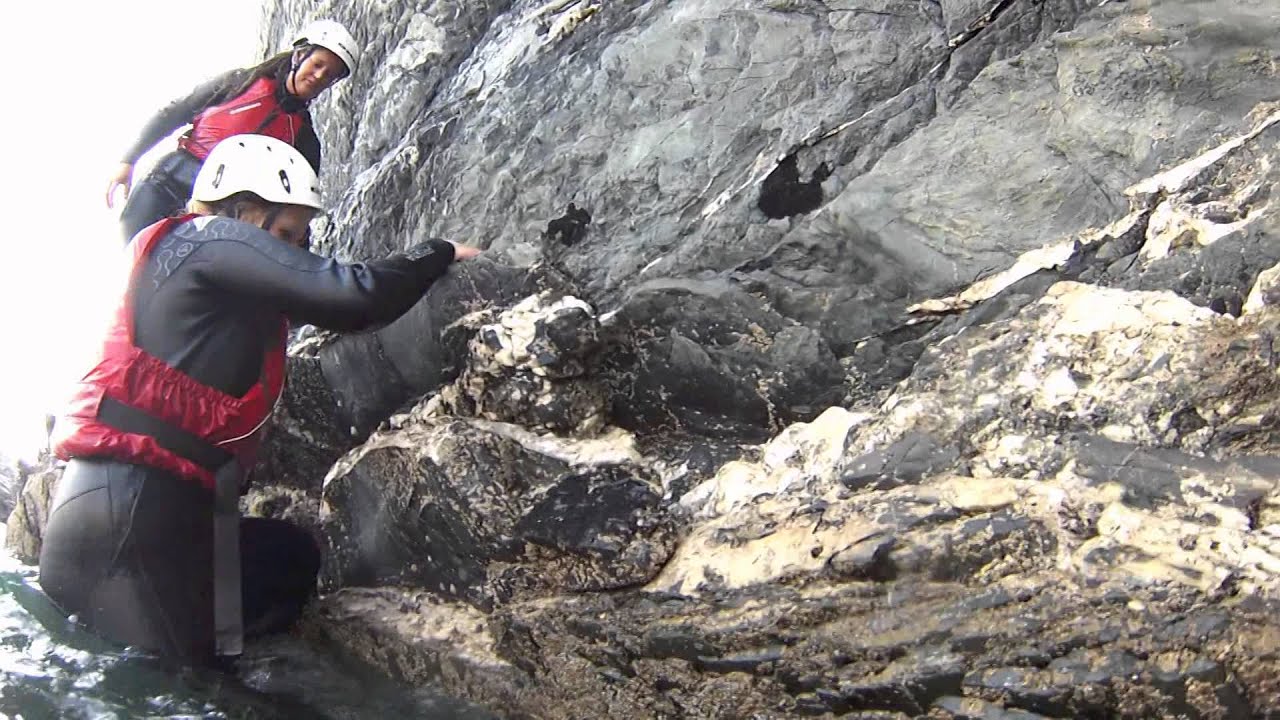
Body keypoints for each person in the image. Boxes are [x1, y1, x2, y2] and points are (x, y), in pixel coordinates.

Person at [41, 133, 482, 666]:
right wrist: (436, 252)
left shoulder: (195, 269)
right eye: (285, 232)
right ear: (242, 210)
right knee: (191, 690)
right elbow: (354, 295)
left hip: (118, 514)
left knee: (288, 558)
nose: (292, 250)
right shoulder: (210, 239)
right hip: (134, 516)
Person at [106, 19, 361, 244]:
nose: (319, 77)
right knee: (135, 253)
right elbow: (174, 113)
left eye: (329, 76)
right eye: (317, 64)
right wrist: (128, 160)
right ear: (299, 55)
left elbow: (299, 211)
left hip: (222, 214)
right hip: (168, 183)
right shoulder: (239, 83)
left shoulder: (304, 139)